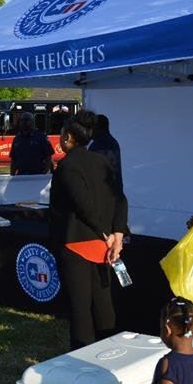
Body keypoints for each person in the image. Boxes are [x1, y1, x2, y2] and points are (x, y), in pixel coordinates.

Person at [48, 110, 128, 349]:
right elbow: (120, 199)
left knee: (80, 306)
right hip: (103, 244)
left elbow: (84, 204)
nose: (60, 138)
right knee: (103, 303)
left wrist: (109, 232)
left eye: (62, 134)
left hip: (78, 242)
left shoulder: (68, 166)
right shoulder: (101, 160)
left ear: (70, 136)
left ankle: (81, 354)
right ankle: (108, 348)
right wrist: (117, 234)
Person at [88, 114, 123, 189]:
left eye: (92, 127)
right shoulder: (114, 142)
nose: (90, 130)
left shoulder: (97, 145)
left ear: (98, 128)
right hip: (115, 193)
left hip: (102, 194)